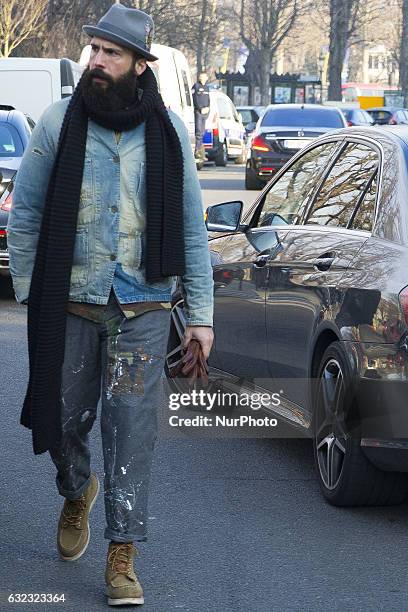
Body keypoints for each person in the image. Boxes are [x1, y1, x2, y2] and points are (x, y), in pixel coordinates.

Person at [7, 4, 214, 607]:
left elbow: (192, 232)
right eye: (93, 49)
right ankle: (77, 489)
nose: (97, 61)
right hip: (71, 305)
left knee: (130, 432)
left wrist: (199, 317)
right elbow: (26, 215)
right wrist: (30, 295)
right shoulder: (56, 123)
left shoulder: (170, 132)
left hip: (143, 312)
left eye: (111, 53)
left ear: (138, 65)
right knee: (66, 421)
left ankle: (122, 555)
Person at [192, 72, 210, 160]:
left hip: (205, 112)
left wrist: (208, 108)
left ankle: (201, 152)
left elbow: (208, 99)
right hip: (198, 112)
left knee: (202, 132)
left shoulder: (207, 87)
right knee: (198, 132)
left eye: (204, 77)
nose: (202, 78)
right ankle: (197, 151)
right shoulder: (196, 86)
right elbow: (194, 99)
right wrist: (200, 108)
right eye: (201, 76)